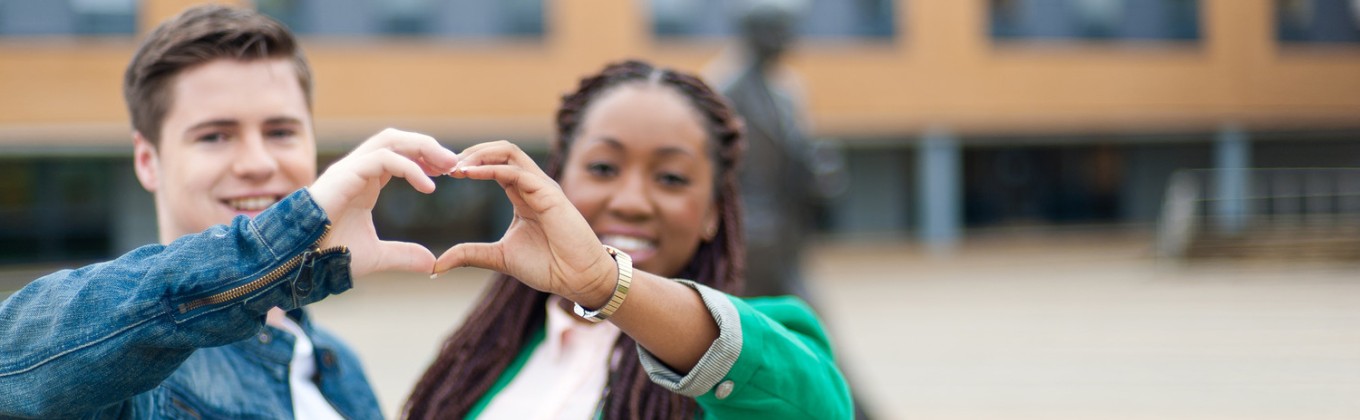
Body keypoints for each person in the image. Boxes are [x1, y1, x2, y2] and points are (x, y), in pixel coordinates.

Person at [0, 5, 457, 418]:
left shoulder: (340, 366)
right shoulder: (134, 379)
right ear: (147, 160)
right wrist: (271, 255)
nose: (258, 163)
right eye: (215, 136)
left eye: (280, 132)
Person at [404, 60, 852, 419]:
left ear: (714, 213)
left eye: (671, 178)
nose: (632, 201)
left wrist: (606, 284)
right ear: (557, 180)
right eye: (602, 168)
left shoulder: (757, 355)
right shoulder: (487, 351)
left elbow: (820, 407)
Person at [716, 0, 834, 299]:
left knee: (799, 319)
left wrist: (820, 167)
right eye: (781, 31)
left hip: (786, 229)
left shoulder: (785, 94)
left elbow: (797, 153)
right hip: (749, 232)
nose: (789, 39)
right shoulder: (727, 92)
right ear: (757, 34)